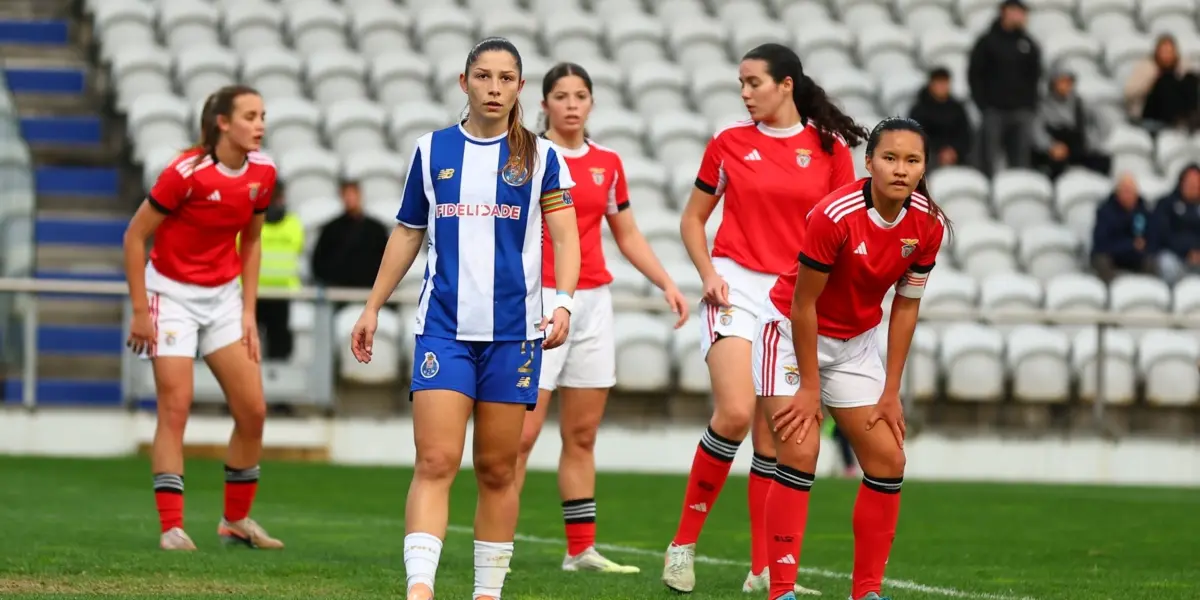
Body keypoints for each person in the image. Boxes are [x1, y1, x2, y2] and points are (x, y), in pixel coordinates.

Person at [347, 37, 581, 600]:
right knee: (435, 459)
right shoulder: (431, 150)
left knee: (498, 469)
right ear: (464, 82)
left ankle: (487, 593)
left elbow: (566, 235)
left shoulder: (543, 157)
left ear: (520, 88)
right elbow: (407, 232)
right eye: (483, 77)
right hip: (444, 330)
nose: (494, 88)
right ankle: (420, 588)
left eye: (505, 78)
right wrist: (373, 305)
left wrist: (564, 301)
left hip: (514, 334)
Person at [663, 42, 868, 596]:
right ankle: (682, 546)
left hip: (792, 299)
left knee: (776, 438)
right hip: (735, 285)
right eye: (741, 83)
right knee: (733, 412)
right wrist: (707, 273)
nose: (745, 93)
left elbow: (842, 237)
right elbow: (692, 220)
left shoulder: (829, 150)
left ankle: (764, 572)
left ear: (786, 86)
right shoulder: (728, 143)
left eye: (755, 82)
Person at [754, 117, 949, 600]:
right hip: (792, 334)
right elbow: (803, 305)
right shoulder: (834, 214)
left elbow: (905, 307)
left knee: (888, 459)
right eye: (890, 158)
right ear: (868, 163)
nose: (901, 169)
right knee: (801, 451)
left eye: (912, 160)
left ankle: (867, 592)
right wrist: (810, 388)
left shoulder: (927, 224)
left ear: (923, 167)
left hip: (856, 344)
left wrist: (891, 392)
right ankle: (781, 591)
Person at [513, 62, 690, 575]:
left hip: (593, 302)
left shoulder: (608, 163)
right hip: (538, 299)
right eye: (561, 95)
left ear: (592, 103)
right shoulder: (525, 155)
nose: (571, 103)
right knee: (521, 435)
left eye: (581, 95)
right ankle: (496, 545)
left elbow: (628, 234)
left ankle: (580, 550)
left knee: (582, 434)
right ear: (543, 103)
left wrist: (667, 283)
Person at [123, 84, 284, 551]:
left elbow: (251, 242)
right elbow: (136, 238)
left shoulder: (264, 171)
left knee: (253, 411)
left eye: (263, 115)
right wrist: (140, 311)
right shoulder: (185, 173)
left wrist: (249, 312)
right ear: (223, 123)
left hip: (223, 299)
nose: (260, 125)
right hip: (169, 296)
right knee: (176, 408)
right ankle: (172, 527)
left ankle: (235, 522)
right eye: (251, 116)